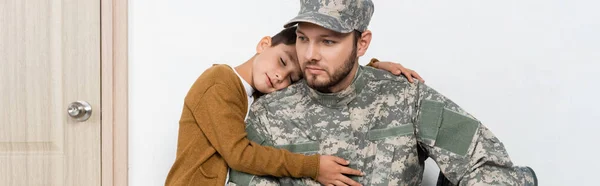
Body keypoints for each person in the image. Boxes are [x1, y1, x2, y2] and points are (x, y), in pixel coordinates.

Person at [228, 0, 538, 185]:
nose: (310, 54)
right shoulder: (268, 115)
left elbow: (484, 162)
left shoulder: (406, 98)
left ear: (361, 44)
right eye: (302, 38)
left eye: (328, 41)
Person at [164, 25, 424, 186]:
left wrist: (373, 67)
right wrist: (313, 168)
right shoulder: (219, 82)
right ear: (264, 44)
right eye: (282, 61)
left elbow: (328, 77)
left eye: (290, 79)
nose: (280, 77)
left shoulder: (256, 95)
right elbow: (238, 154)